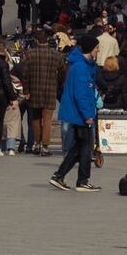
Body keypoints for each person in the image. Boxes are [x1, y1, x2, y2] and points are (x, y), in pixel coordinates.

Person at [49, 30, 101, 191]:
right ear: (90, 49)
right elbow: (81, 94)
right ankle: (82, 180)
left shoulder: (83, 65)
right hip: (80, 114)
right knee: (85, 147)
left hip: (78, 113)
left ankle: (59, 176)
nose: (98, 50)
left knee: (79, 147)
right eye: (97, 48)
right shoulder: (81, 68)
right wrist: (88, 116)